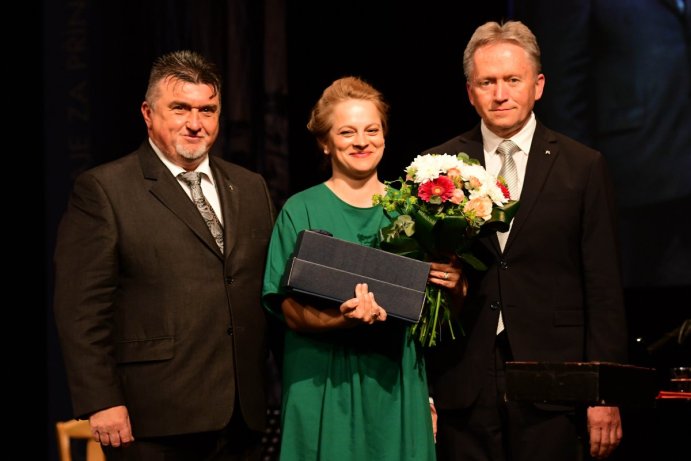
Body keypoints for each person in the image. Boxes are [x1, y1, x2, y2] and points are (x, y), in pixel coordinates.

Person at [53, 50, 276, 460]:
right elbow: (81, 308)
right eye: (180, 108)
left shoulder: (249, 187)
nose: (196, 123)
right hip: (151, 417)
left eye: (208, 109)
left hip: (241, 416)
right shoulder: (104, 189)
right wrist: (101, 400)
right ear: (148, 113)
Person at [422, 21, 628, 461]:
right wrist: (425, 392)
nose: (500, 94)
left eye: (512, 80)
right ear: (470, 92)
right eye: (487, 82)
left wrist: (604, 394)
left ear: (538, 85)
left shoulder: (582, 167)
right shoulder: (437, 168)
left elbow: (604, 287)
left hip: (555, 379)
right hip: (464, 377)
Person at [261, 76, 463, 460]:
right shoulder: (299, 210)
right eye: (347, 131)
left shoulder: (412, 211)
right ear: (325, 142)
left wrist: (456, 287)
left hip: (395, 384)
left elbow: (436, 320)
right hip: (320, 383)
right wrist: (343, 321)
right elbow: (284, 308)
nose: (361, 140)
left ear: (385, 136)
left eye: (372, 129)